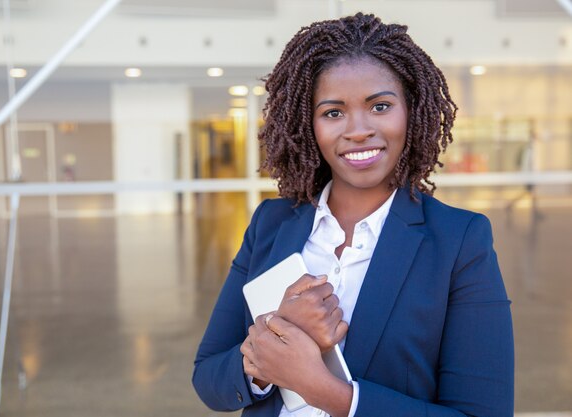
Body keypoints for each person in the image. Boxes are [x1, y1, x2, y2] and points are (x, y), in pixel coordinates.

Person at [193, 12, 514, 417]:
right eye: (333, 112)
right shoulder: (271, 225)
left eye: (380, 106)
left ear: (410, 113)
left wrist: (322, 387)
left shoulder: (459, 240)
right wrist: (279, 334)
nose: (358, 129)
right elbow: (209, 379)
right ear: (308, 125)